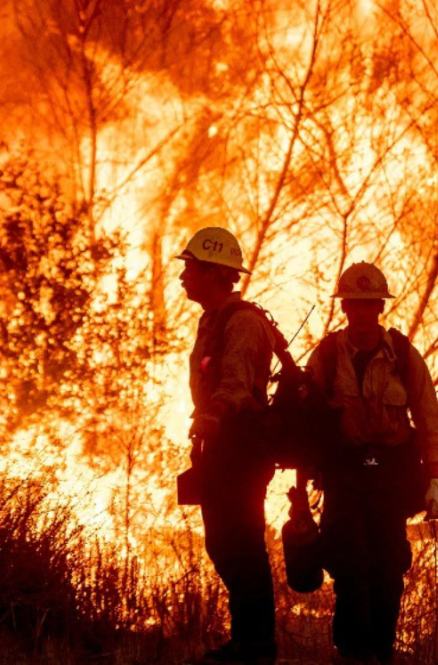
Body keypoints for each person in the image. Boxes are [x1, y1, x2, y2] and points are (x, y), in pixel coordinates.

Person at [306, 262, 438, 664]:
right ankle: (353, 652)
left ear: (380, 307)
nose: (362, 312)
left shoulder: (403, 355)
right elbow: (306, 418)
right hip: (344, 474)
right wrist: (305, 477)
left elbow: (428, 414)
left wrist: (435, 471)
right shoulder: (326, 356)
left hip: (390, 477)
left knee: (388, 566)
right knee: (347, 562)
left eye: (369, 303)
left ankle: (381, 651)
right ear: (344, 307)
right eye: (354, 303)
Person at [177, 227, 277, 665]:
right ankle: (247, 641)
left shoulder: (243, 322)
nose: (183, 276)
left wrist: (213, 414)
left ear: (215, 273)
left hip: (243, 446)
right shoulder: (212, 320)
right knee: (222, 543)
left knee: (242, 543)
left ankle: (256, 646)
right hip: (219, 445)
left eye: (191, 268)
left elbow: (236, 384)